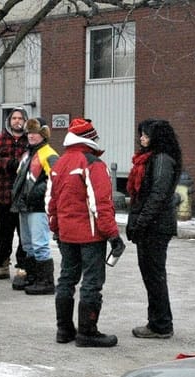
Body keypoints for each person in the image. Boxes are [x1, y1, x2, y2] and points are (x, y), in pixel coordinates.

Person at [48, 118, 122, 348]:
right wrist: (113, 235)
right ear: (90, 139)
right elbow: (101, 204)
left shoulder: (59, 163)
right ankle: (87, 332)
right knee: (91, 282)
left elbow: (51, 202)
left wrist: (56, 228)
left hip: (66, 234)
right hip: (91, 236)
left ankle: (64, 330)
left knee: (66, 280)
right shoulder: (93, 163)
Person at [126, 119, 182, 339]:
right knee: (151, 275)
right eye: (141, 134)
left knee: (154, 275)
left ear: (157, 137)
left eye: (146, 134)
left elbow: (157, 195)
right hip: (152, 225)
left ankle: (161, 324)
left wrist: (140, 223)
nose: (141, 138)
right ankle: (158, 321)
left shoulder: (161, 160)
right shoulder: (150, 159)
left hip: (156, 227)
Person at [9, 118, 59, 298]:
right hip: (24, 205)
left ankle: (46, 281)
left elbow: (55, 179)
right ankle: (32, 276)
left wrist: (37, 193)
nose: (31, 135)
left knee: (39, 245)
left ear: (43, 134)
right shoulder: (27, 154)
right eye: (29, 132)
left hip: (37, 206)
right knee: (28, 244)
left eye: (35, 132)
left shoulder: (49, 154)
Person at [0, 107, 30, 282]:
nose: (17, 121)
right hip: (4, 195)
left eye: (20, 118)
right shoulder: (0, 139)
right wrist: (6, 163)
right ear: (9, 121)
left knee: (24, 233)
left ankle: (24, 265)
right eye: (14, 118)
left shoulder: (29, 140)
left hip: (24, 196)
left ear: (25, 121)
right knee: (4, 232)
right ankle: (1, 264)